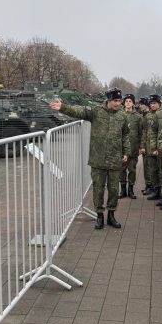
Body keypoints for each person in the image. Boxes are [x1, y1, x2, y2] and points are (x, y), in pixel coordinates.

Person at [50, 87, 129, 230]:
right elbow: (79, 111)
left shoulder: (122, 116)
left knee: (113, 189)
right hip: (97, 158)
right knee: (98, 188)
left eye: (119, 100)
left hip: (114, 159)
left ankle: (111, 215)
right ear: (109, 100)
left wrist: (126, 152)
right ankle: (99, 215)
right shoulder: (96, 112)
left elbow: (126, 135)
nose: (118, 103)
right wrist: (63, 107)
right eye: (115, 100)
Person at [120, 94, 141, 199]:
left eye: (130, 101)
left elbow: (141, 133)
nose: (128, 103)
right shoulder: (119, 114)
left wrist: (141, 147)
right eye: (126, 101)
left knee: (132, 170)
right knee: (121, 170)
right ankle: (123, 190)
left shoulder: (138, 116)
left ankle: (130, 190)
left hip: (133, 147)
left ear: (133, 103)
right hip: (122, 148)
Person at [144, 94, 162, 200]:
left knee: (161, 172)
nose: (152, 105)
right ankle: (156, 190)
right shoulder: (148, 115)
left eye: (154, 103)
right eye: (151, 103)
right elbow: (145, 131)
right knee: (153, 170)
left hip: (160, 147)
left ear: (159, 103)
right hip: (150, 147)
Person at [138, 97, 153, 194]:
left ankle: (151, 186)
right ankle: (148, 185)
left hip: (149, 145)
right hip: (145, 144)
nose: (139, 106)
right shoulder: (144, 115)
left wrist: (143, 145)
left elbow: (146, 132)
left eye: (141, 104)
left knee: (149, 167)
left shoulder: (148, 116)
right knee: (146, 166)